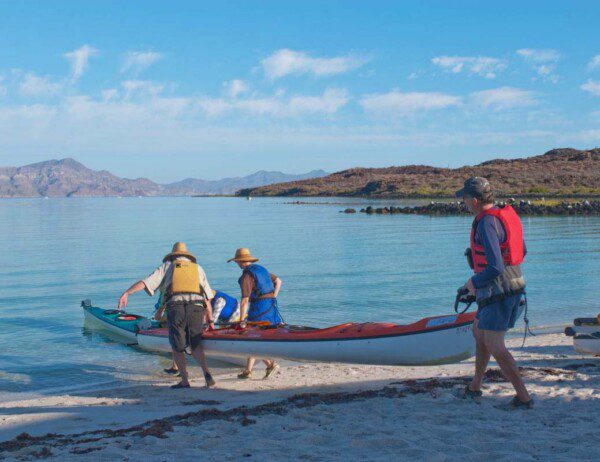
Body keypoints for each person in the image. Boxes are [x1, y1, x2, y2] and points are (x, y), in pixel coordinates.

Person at [455, 177, 532, 409]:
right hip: (511, 285)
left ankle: (524, 397)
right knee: (479, 333)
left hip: (499, 291)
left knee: (496, 345)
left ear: (476, 200)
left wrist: (473, 281)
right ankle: (475, 386)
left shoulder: (487, 223)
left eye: (466, 198)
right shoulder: (502, 215)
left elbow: (496, 267)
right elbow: (522, 250)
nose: (464, 202)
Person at [118, 242, 216, 389]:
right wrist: (210, 319)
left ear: (173, 255)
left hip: (176, 309)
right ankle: (207, 373)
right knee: (195, 344)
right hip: (196, 308)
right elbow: (207, 297)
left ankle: (185, 381)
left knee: (177, 347)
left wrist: (127, 292)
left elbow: (146, 283)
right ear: (187, 255)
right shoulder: (198, 268)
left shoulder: (168, 266)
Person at [227, 248, 282, 380]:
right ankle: (250, 370)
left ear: (239, 262)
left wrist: (241, 319)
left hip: (259, 308)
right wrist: (273, 296)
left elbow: (245, 300)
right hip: (271, 306)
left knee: (251, 336)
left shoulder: (246, 276)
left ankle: (270, 364)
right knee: (256, 337)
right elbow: (279, 281)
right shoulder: (261, 269)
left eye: (236, 262)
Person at [157, 289, 240, 376]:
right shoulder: (206, 300)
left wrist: (203, 329)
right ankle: (177, 366)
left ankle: (234, 354)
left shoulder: (219, 301)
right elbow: (204, 316)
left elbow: (212, 320)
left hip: (235, 315)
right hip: (222, 318)